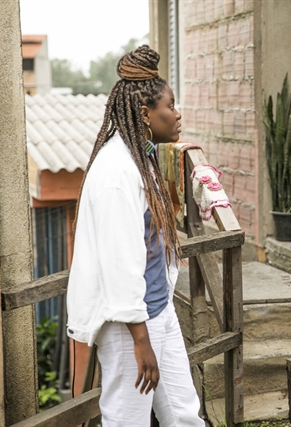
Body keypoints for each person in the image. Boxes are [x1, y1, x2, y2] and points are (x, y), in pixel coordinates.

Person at [66, 45, 204, 427]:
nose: (177, 115)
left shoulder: (140, 156)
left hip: (158, 309)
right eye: (170, 106)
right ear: (145, 114)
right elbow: (119, 264)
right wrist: (140, 341)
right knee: (128, 419)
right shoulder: (116, 173)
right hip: (130, 325)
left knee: (184, 415)